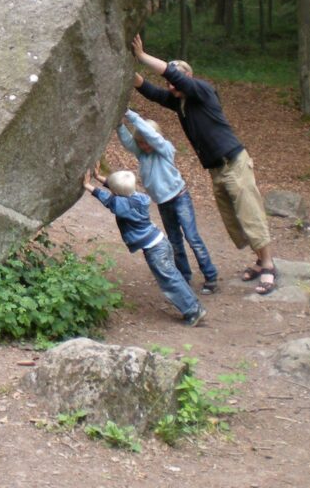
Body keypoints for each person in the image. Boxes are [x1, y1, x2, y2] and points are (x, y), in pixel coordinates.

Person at [129, 34, 277, 294]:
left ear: (189, 76)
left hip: (233, 163)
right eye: (170, 80)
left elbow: (173, 76)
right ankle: (258, 259)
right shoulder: (181, 102)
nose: (171, 83)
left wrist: (142, 57)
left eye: (177, 77)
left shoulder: (203, 91)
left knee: (250, 214)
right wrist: (126, 70)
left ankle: (268, 265)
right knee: (235, 219)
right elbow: (151, 92)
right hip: (217, 169)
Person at [83, 167, 207, 326]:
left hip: (154, 250)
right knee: (174, 276)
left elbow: (108, 199)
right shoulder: (139, 197)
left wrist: (88, 186)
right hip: (161, 242)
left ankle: (192, 311)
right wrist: (99, 177)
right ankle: (194, 306)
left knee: (169, 281)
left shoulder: (123, 206)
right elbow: (117, 191)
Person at [116, 108, 219, 295]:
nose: (145, 147)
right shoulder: (142, 154)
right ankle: (184, 276)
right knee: (175, 241)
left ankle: (210, 275)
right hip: (163, 204)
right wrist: (118, 123)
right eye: (141, 144)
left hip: (180, 198)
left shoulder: (165, 149)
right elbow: (127, 142)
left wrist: (132, 116)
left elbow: (152, 137)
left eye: (147, 143)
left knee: (192, 237)